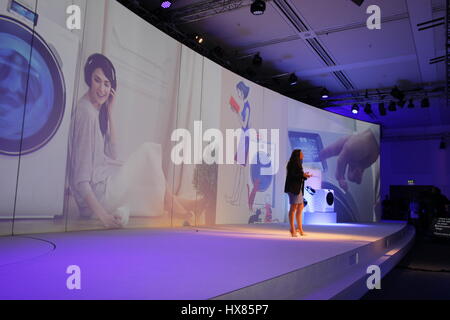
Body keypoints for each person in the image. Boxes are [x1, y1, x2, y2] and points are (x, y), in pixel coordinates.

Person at [69, 53, 202, 228]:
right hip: (99, 197)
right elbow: (80, 180)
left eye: (107, 84)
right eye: (97, 80)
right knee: (148, 152)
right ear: (89, 78)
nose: (102, 89)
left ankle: (178, 203)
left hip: (103, 185)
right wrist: (104, 218)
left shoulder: (94, 110)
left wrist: (109, 111)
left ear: (112, 89)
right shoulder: (86, 114)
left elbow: (112, 152)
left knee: (150, 176)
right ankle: (176, 206)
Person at [284, 149, 312, 237]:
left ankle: (300, 229)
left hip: (298, 188)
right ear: (297, 155)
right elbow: (292, 176)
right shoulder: (292, 163)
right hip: (293, 188)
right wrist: (302, 175)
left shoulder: (299, 163)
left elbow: (298, 176)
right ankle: (292, 229)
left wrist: (304, 176)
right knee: (294, 207)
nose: (303, 154)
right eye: (301, 153)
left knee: (300, 207)